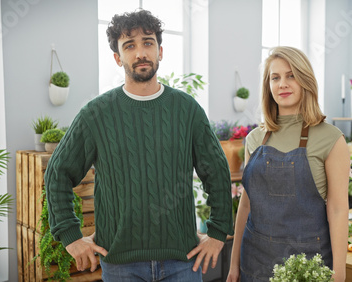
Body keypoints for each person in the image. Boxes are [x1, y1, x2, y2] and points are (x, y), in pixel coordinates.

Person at [44, 9, 233, 281]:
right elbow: (58, 173)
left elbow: (216, 171)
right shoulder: (96, 114)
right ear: (118, 57)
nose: (140, 52)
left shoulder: (187, 109)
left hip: (182, 260)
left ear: (160, 51)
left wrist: (217, 234)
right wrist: (70, 236)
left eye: (148, 42)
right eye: (129, 45)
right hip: (121, 265)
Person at [227, 46, 349, 282]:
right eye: (275, 77)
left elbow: (337, 210)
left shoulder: (331, 139)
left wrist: (339, 274)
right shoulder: (254, 139)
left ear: (306, 80)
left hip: (308, 265)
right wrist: (234, 264)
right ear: (268, 86)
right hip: (256, 262)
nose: (282, 84)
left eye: (291, 75)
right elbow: (246, 206)